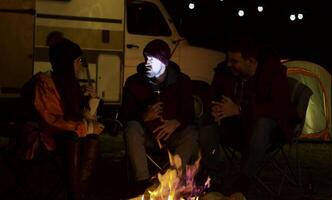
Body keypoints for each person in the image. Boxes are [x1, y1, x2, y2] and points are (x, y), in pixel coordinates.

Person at [199, 35, 298, 194]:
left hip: (267, 135)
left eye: (235, 61)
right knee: (207, 125)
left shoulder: (272, 73)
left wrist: (239, 110)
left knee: (263, 123)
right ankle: (212, 176)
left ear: (250, 61)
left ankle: (244, 181)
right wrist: (216, 110)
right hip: (235, 129)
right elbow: (212, 97)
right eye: (228, 60)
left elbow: (278, 107)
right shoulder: (225, 71)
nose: (229, 64)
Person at [22, 32, 104, 200]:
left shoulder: (70, 85)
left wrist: (91, 101)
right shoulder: (45, 83)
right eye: (78, 62)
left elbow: (80, 117)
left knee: (92, 139)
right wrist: (86, 127)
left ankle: (77, 194)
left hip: (67, 134)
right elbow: (51, 120)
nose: (80, 67)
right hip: (45, 136)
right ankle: (76, 195)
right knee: (73, 138)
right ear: (68, 63)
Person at [122, 39, 199, 196]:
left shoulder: (182, 82)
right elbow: (125, 114)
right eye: (146, 59)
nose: (147, 63)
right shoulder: (134, 82)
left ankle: (171, 179)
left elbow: (190, 114)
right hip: (148, 137)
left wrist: (177, 122)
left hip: (173, 136)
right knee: (132, 128)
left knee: (191, 132)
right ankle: (143, 183)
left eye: (152, 59)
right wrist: (143, 116)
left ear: (165, 62)